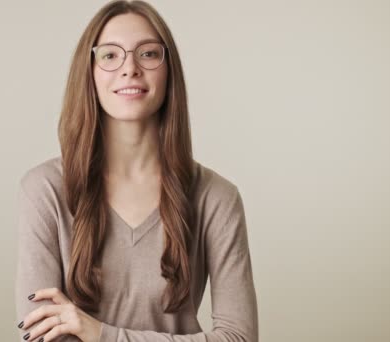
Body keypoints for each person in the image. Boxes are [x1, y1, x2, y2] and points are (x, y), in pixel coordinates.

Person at [14, 1, 258, 341]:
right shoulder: (44, 189)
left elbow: (238, 338)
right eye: (110, 55)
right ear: (90, 71)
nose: (130, 68)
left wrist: (100, 333)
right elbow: (44, 334)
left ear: (168, 69)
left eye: (147, 53)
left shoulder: (218, 197)